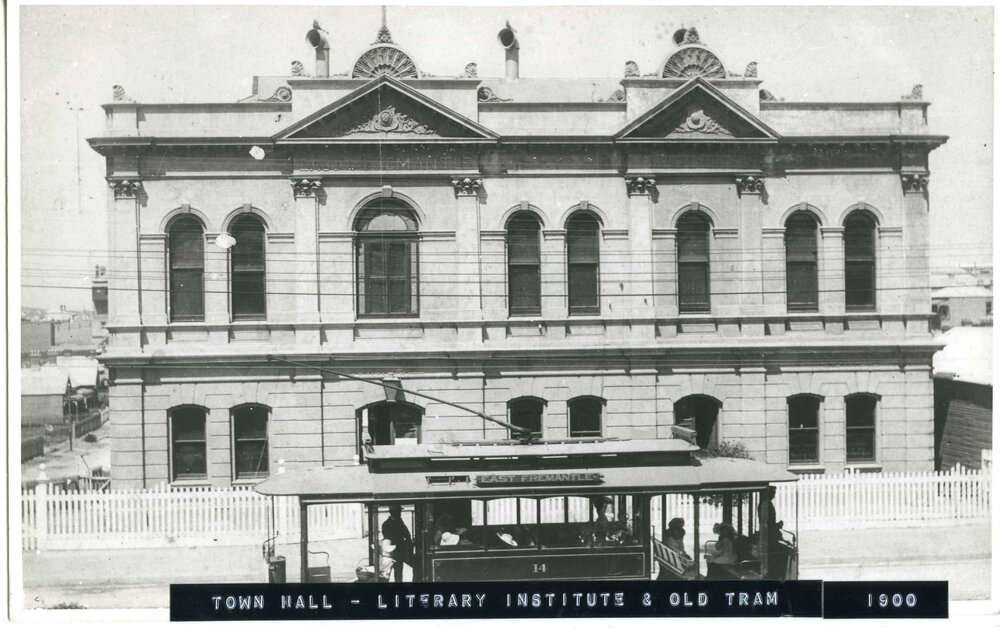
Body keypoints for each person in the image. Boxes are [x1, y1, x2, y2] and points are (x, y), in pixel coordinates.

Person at [380, 506, 412, 582]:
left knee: (399, 571)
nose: (400, 513)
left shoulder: (399, 521)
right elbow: (389, 537)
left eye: (400, 511)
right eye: (398, 511)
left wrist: (408, 541)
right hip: (393, 551)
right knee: (390, 572)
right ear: (392, 512)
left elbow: (406, 533)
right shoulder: (386, 524)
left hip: (401, 550)